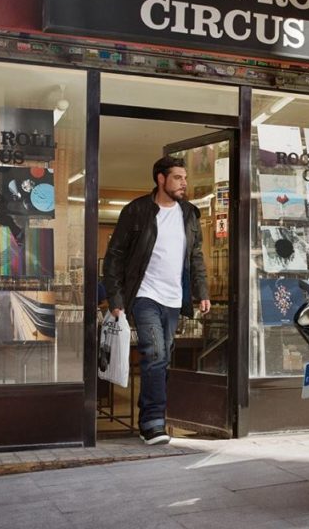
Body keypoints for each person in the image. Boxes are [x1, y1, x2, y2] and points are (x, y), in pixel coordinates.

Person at [103, 156, 209, 445]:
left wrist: (202, 292)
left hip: (174, 299)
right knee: (155, 354)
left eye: (185, 177)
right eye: (178, 177)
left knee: (163, 359)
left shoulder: (189, 214)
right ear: (161, 179)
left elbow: (195, 256)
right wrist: (116, 298)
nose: (184, 183)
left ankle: (148, 417)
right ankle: (153, 422)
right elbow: (115, 256)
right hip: (145, 295)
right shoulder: (137, 211)